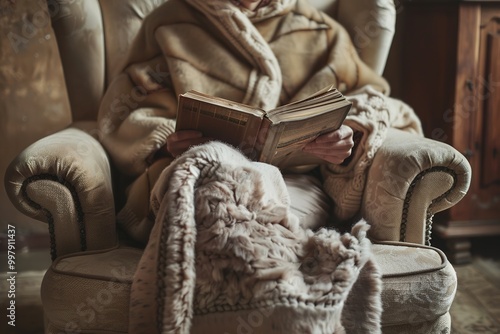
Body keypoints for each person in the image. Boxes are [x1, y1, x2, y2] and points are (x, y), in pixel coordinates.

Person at [97, 0, 390, 243]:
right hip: (194, 173)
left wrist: (345, 137)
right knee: (210, 214)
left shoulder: (322, 31)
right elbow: (126, 110)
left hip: (291, 181)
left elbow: (369, 100)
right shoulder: (168, 23)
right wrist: (164, 144)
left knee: (259, 227)